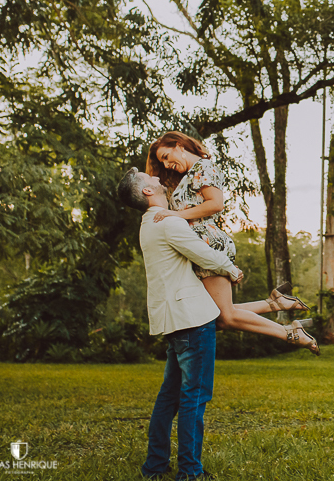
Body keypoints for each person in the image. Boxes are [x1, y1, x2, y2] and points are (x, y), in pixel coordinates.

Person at [145, 131, 318, 355]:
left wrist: (177, 216)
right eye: (163, 162)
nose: (167, 165)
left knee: (223, 317)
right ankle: (276, 305)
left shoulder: (204, 167)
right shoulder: (189, 175)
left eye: (167, 156)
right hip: (197, 246)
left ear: (179, 146)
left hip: (208, 244)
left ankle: (290, 332)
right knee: (214, 315)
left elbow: (216, 204)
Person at [118, 167, 238, 480]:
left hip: (174, 320)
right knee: (194, 399)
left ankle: (154, 467)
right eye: (150, 180)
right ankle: (190, 473)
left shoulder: (151, 224)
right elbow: (202, 254)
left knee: (169, 397)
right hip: (192, 320)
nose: (156, 178)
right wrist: (232, 270)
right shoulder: (167, 221)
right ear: (147, 192)